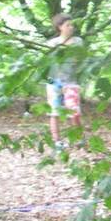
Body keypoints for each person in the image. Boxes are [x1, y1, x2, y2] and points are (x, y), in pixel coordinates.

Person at [46, 13, 85, 149]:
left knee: (74, 113)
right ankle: (57, 141)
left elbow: (81, 63)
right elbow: (46, 68)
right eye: (67, 25)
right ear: (59, 27)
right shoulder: (52, 44)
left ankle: (79, 139)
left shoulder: (78, 42)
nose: (71, 27)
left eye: (72, 24)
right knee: (55, 113)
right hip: (53, 82)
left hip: (71, 82)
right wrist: (54, 84)